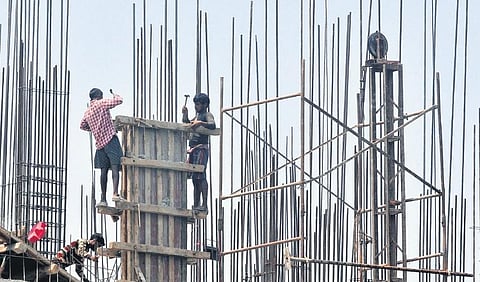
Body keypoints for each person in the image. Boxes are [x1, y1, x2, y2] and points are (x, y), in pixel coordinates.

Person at [80, 88, 124, 207]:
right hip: (110, 140)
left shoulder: (88, 112)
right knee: (115, 167)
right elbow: (119, 101)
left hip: (100, 145)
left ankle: (103, 199)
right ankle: (115, 193)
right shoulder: (101, 103)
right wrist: (115, 94)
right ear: (99, 95)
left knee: (103, 171)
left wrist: (94, 128)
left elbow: (82, 125)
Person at [182, 93, 216, 212]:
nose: (196, 107)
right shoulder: (197, 116)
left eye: (198, 104)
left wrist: (200, 123)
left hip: (201, 148)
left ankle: (204, 204)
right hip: (193, 149)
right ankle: (196, 204)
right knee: (195, 179)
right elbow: (187, 124)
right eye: (195, 104)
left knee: (201, 176)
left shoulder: (207, 115)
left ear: (205, 104)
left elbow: (212, 125)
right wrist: (185, 115)